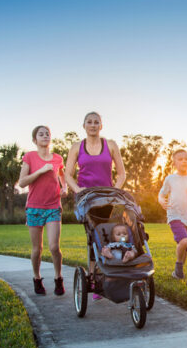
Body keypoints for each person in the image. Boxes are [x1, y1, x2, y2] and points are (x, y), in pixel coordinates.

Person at [64, 111, 126, 299]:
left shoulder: (111, 145)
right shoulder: (77, 147)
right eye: (89, 122)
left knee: (109, 234)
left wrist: (115, 190)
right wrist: (78, 190)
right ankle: (95, 278)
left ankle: (109, 274)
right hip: (86, 198)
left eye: (96, 122)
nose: (93, 125)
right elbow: (67, 174)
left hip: (107, 197)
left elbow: (122, 174)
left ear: (101, 125)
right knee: (94, 237)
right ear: (84, 126)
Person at [18, 125, 67, 296]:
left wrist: (64, 187)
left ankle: (58, 278)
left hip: (53, 206)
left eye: (47, 134)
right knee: (37, 249)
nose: (45, 136)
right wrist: (40, 170)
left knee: (54, 247)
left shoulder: (57, 158)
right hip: (34, 208)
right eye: (41, 134)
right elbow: (22, 182)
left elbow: (62, 175)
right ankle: (37, 278)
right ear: (35, 140)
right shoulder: (29, 157)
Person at [158, 149, 187, 279]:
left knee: (186, 245)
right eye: (180, 159)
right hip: (174, 215)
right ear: (174, 163)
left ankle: (178, 269)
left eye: (186, 159)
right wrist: (161, 200)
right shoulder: (170, 179)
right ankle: (178, 269)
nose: (184, 161)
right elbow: (161, 193)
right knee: (184, 241)